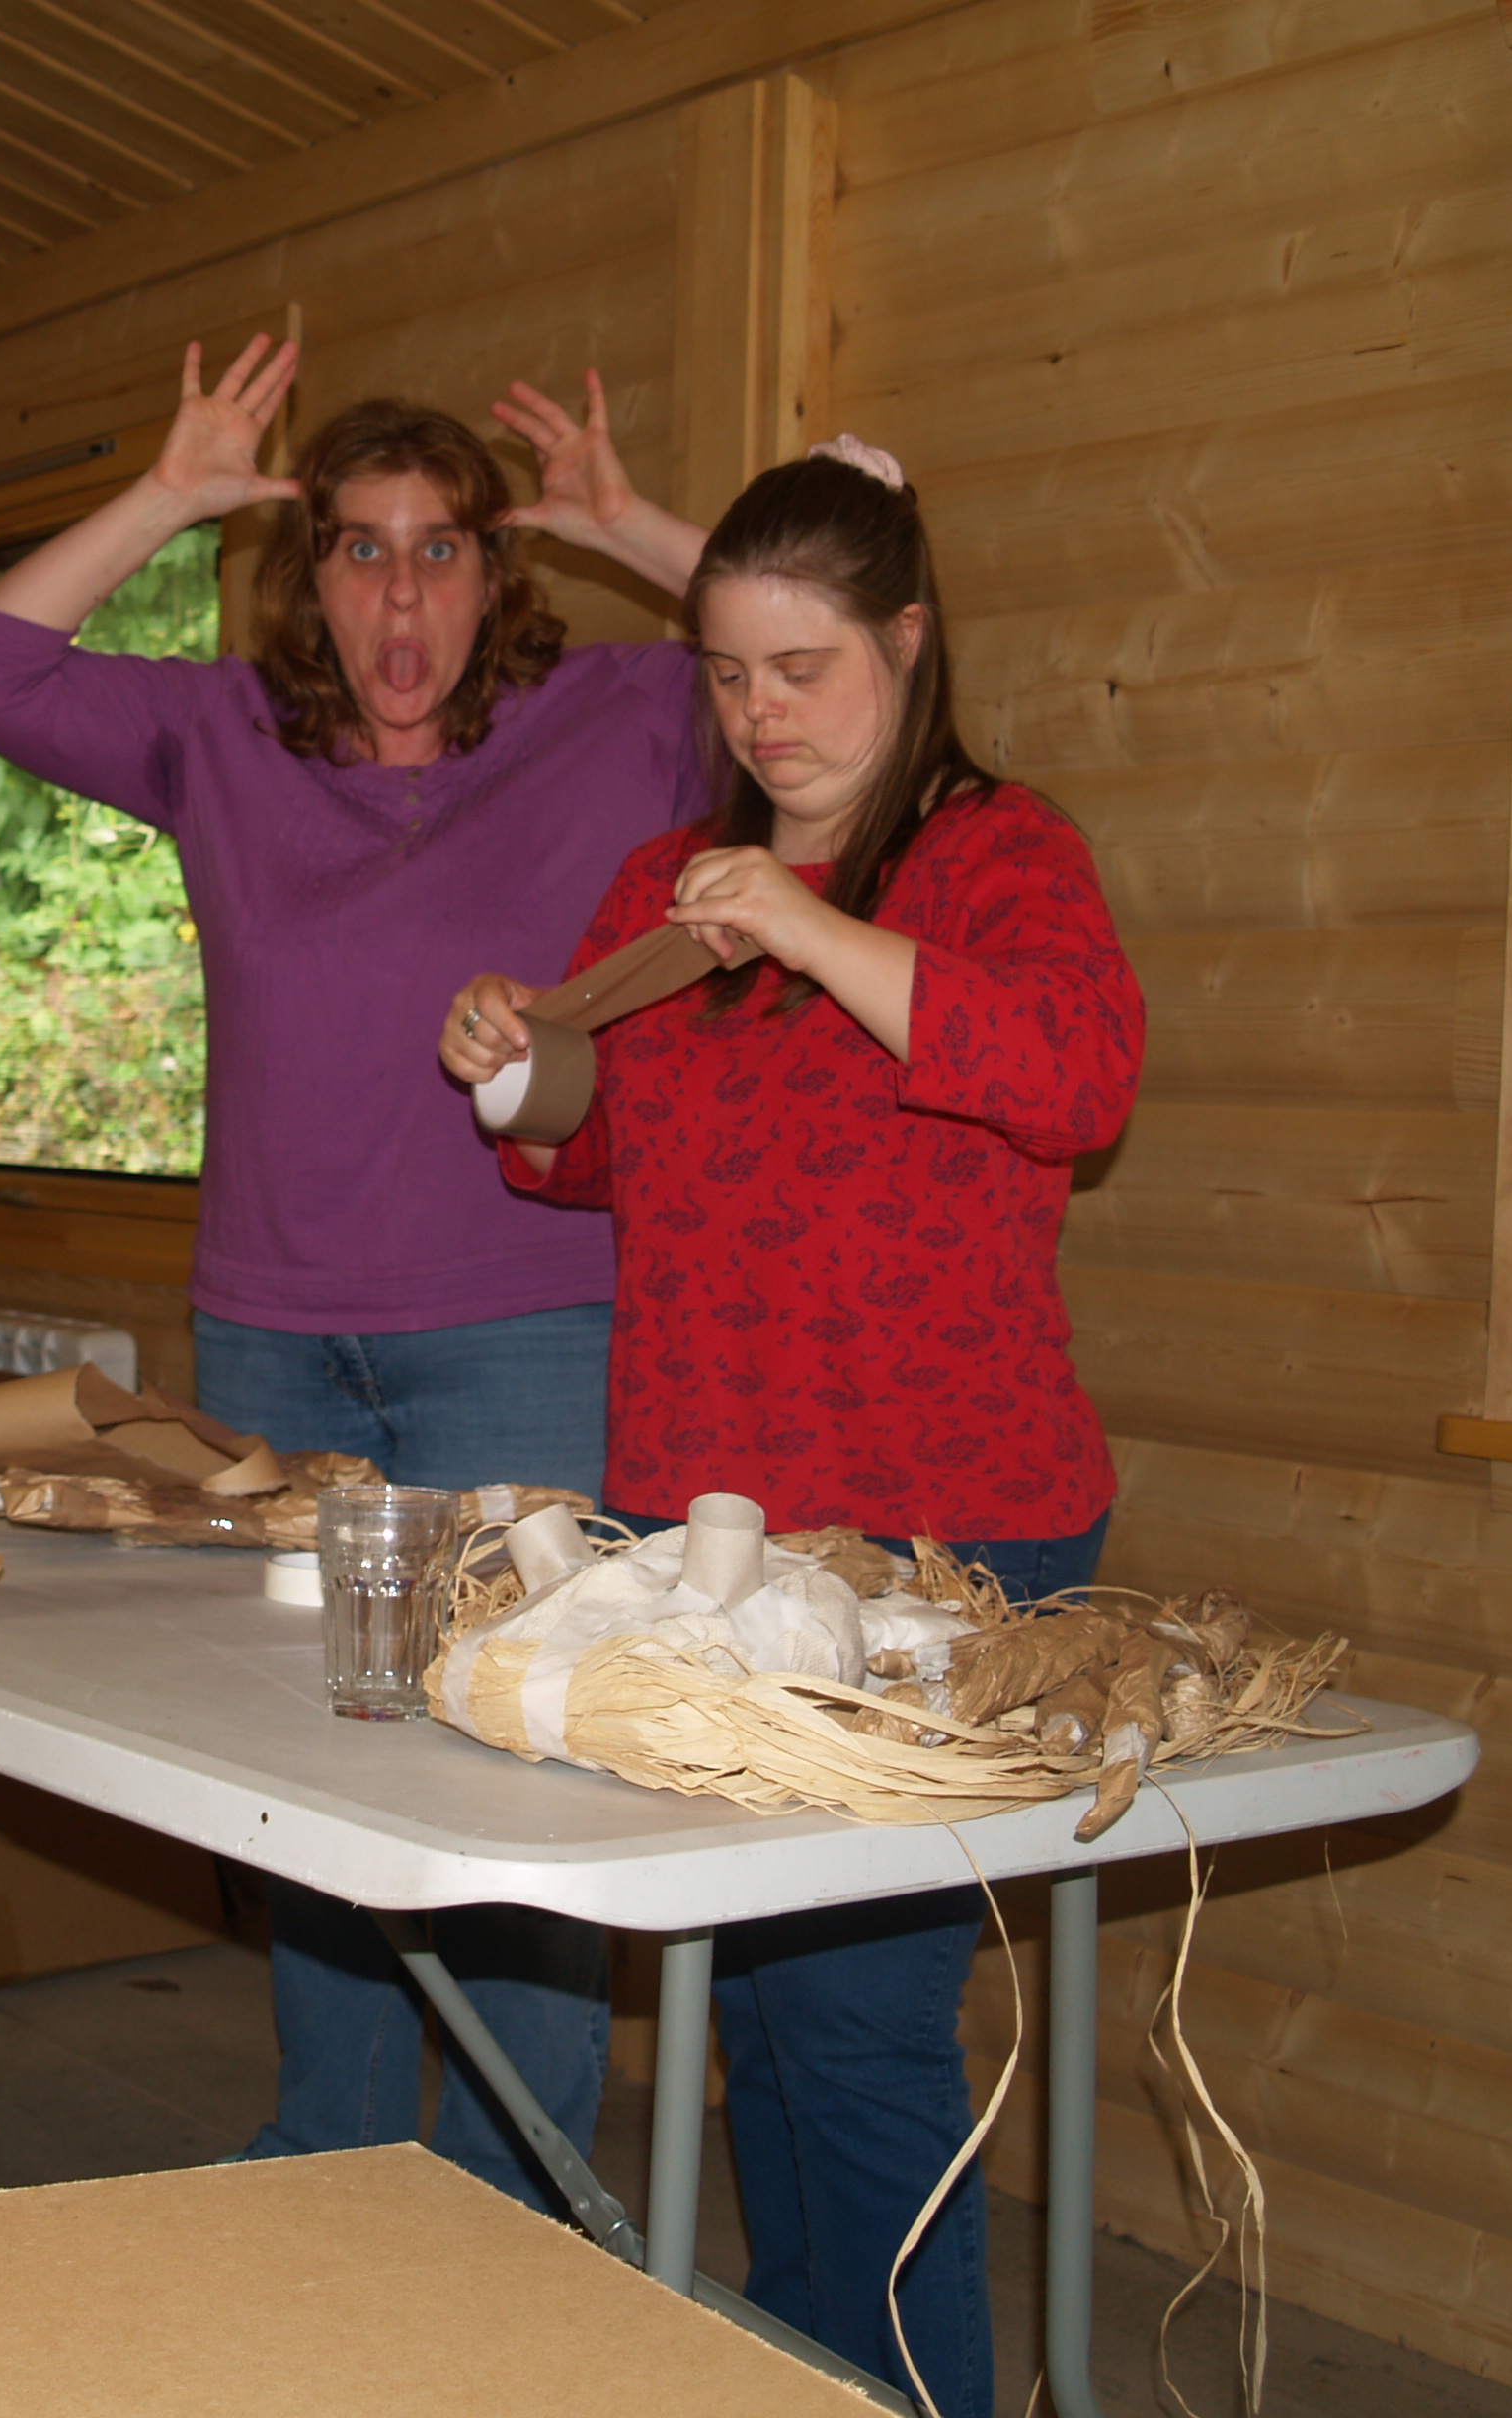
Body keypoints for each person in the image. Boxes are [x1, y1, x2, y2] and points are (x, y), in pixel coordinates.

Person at [0, 337, 709, 2214]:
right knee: (311, 1760)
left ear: (497, 574)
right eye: (361, 549)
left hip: (525, 1326)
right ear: (311, 576)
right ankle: (329, 2167)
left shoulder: (620, 715)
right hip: (271, 1332)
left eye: (442, 549)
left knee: (522, 1758)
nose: (401, 597)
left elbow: (830, 635)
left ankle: (517, 2200)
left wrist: (629, 526)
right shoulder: (221, 737)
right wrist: (167, 492)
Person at [439, 441, 1145, 2416]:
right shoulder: (669, 890)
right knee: (766, 2008)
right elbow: (604, 1157)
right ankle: (809, 2375)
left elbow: (1077, 1080)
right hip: (708, 1521)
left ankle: (916, 2391)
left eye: (806, 668)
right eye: (733, 675)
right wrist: (515, 1066)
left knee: (857, 2024)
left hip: (943, 1529)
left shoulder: (1004, 857)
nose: (765, 714)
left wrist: (820, 929)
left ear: (908, 646)